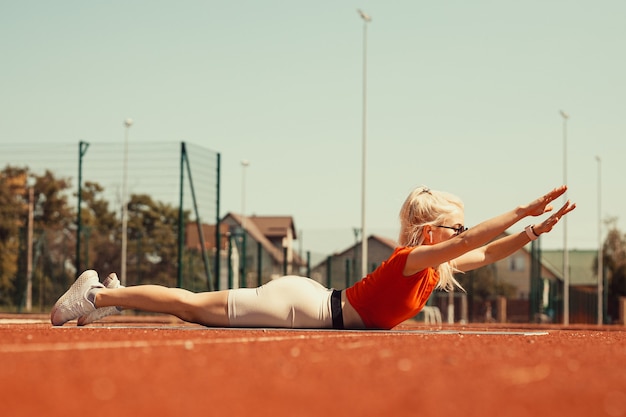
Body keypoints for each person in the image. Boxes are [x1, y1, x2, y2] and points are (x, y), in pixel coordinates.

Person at [51, 185, 576, 330]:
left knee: (194, 307)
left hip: (312, 305)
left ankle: (109, 294)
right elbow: (470, 242)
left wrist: (533, 232)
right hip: (302, 309)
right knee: (191, 306)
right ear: (432, 229)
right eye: (456, 225)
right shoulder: (409, 260)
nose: (463, 232)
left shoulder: (432, 267)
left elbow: (482, 254)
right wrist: (520, 209)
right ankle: (97, 292)